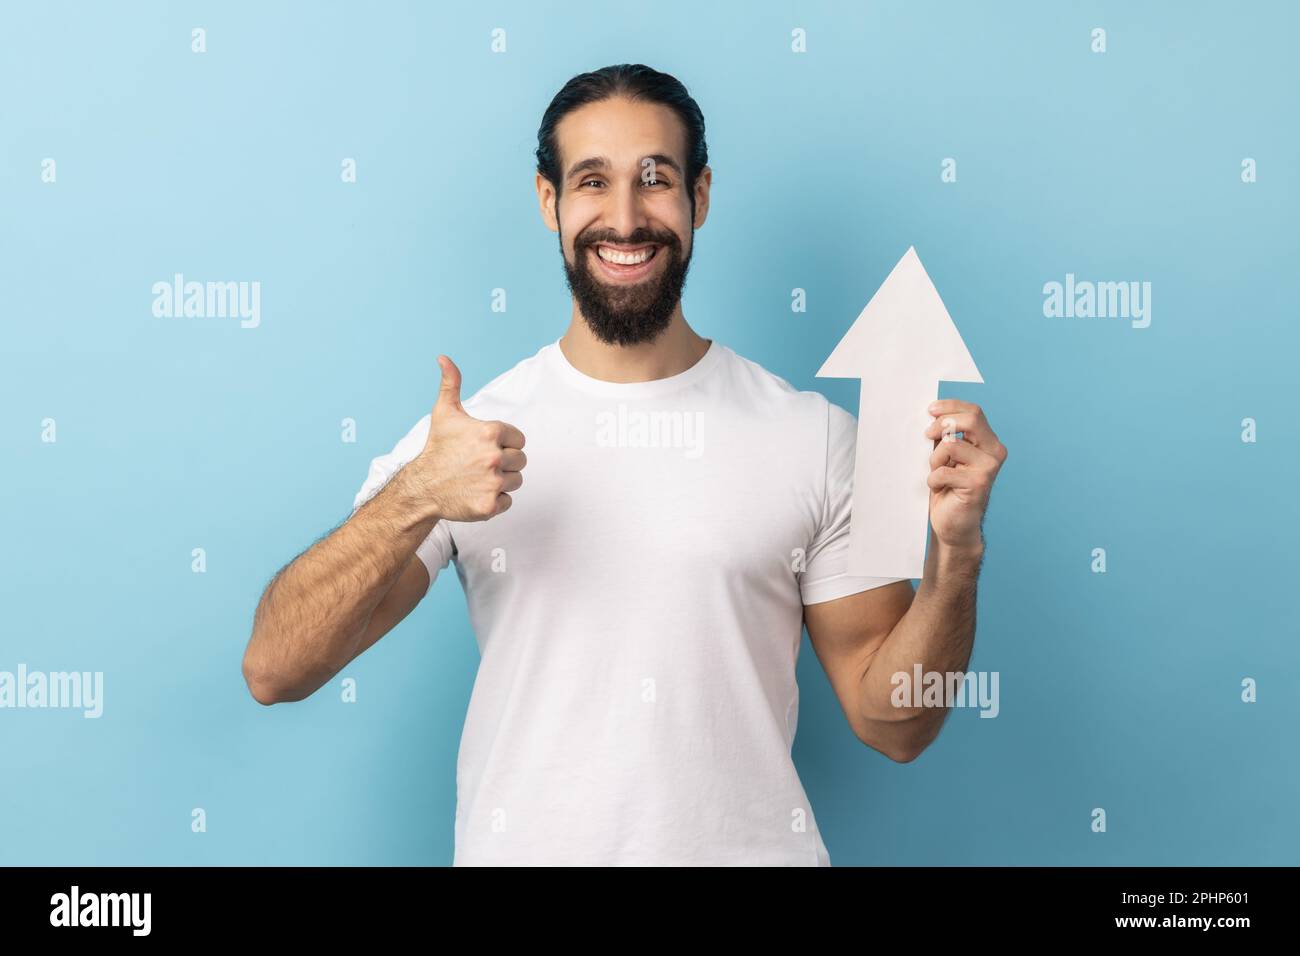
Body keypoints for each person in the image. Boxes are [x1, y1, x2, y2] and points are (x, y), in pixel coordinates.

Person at [241, 63, 1008, 866]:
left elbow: (896, 725)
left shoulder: (811, 436)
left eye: (655, 179)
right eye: (592, 182)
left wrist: (956, 558)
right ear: (551, 203)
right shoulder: (465, 441)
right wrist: (414, 498)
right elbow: (275, 670)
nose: (626, 217)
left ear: (699, 197)